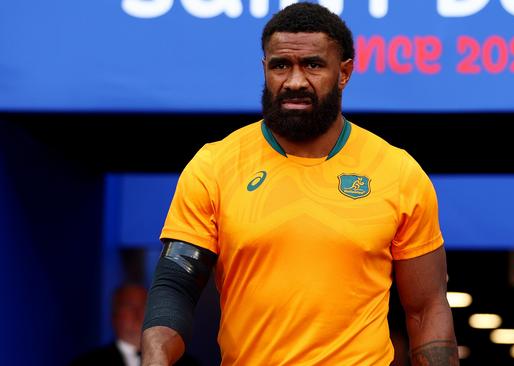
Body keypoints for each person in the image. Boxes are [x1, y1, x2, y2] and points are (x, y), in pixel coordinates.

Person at [141, 3, 458, 366]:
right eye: (280, 66)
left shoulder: (397, 172)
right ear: (265, 69)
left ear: (344, 72)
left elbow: (426, 308)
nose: (294, 81)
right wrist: (154, 356)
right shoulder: (214, 165)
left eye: (312, 64)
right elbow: (176, 285)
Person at [70, 284, 199, 366]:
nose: (137, 312)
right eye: (128, 305)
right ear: (114, 316)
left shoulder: (183, 363)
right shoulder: (87, 363)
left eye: (144, 304)